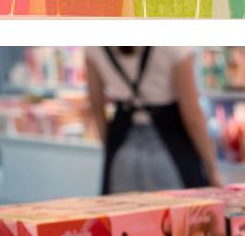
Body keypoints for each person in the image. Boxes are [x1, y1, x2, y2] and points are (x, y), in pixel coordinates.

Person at [87, 46, 221, 194]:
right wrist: (212, 169)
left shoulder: (93, 46)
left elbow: (96, 107)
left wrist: (111, 149)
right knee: (177, 215)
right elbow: (192, 114)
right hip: (170, 150)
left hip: (121, 152)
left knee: (123, 215)